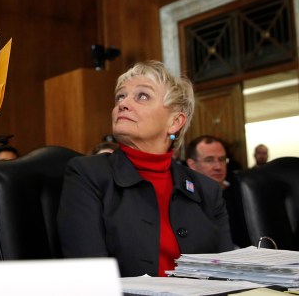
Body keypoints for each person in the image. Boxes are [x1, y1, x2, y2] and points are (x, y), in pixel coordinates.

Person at [57, 60, 232, 277]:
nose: (123, 104)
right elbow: (90, 275)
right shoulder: (87, 174)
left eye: (142, 96)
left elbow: (227, 274)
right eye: (120, 96)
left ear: (175, 122)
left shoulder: (207, 190)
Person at [186, 135, 249, 247]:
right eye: (209, 160)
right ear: (192, 165)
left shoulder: (242, 193)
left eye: (222, 159)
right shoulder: (186, 199)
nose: (218, 167)